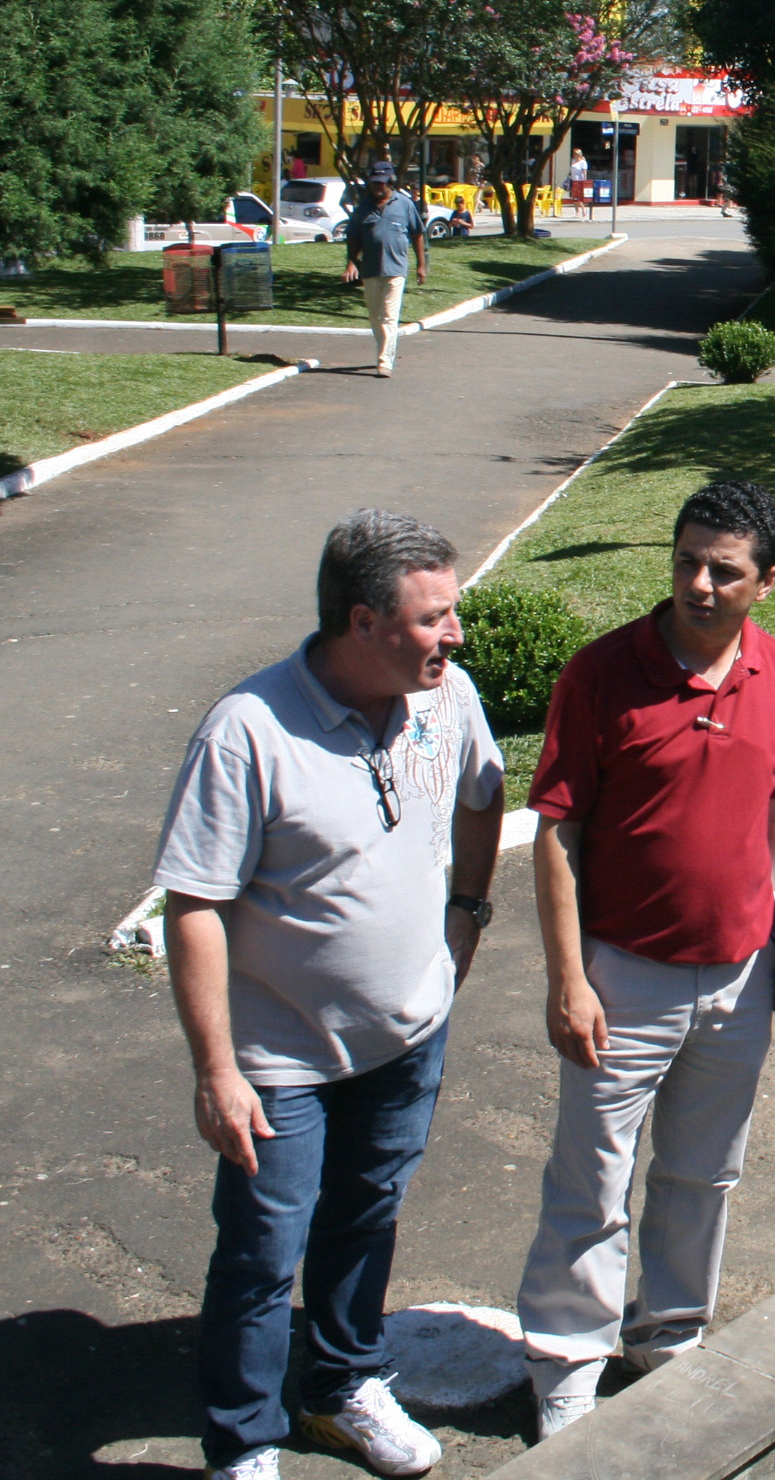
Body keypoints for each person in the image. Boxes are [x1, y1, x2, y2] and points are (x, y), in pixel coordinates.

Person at [156, 510, 505, 1480]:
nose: (457, 633)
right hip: (281, 1059)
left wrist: (469, 909)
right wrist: (216, 1070)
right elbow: (194, 904)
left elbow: (484, 790)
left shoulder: (448, 697)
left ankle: (344, 1383)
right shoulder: (249, 731)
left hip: (408, 1033)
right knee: (265, 1254)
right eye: (435, 616)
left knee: (366, 1213)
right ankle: (244, 1442)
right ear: (364, 620)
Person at [516, 479, 775, 1443]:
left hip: (737, 976)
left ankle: (669, 1332)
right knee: (591, 1182)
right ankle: (567, 1362)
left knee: (702, 1174)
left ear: (765, 582)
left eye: (723, 570)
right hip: (624, 978)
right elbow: (555, 834)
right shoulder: (602, 674)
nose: (697, 582)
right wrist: (569, 978)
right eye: (686, 560)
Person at [341, 164, 427, 378]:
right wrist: (351, 262)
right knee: (375, 317)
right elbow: (354, 237)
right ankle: (384, 351)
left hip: (396, 270)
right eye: (374, 183)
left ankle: (384, 361)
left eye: (381, 182)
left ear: (390, 182)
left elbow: (417, 234)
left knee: (389, 316)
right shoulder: (363, 207)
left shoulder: (405, 204)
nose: (377, 187)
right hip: (370, 270)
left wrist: (421, 265)